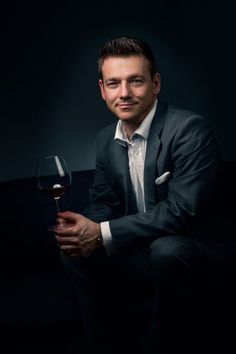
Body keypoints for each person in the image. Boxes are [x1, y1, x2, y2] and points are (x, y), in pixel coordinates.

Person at [55, 37, 221, 354]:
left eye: (135, 81)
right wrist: (84, 231)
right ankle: (102, 345)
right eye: (114, 83)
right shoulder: (106, 139)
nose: (124, 93)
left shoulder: (190, 129)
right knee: (74, 252)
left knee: (166, 249)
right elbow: (104, 203)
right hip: (144, 251)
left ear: (155, 84)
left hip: (194, 251)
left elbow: (182, 213)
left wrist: (102, 234)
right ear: (102, 90)